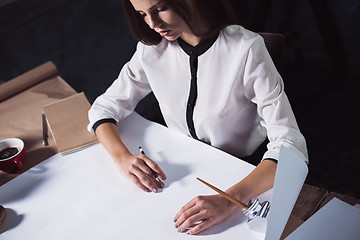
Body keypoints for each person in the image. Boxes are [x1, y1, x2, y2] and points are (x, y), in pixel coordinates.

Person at [88, 0, 308, 235]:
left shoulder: (246, 49)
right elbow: (104, 107)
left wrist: (230, 200)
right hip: (181, 175)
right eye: (142, 14)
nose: (153, 24)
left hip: (243, 172)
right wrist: (122, 158)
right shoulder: (151, 49)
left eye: (161, 8)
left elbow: (291, 147)